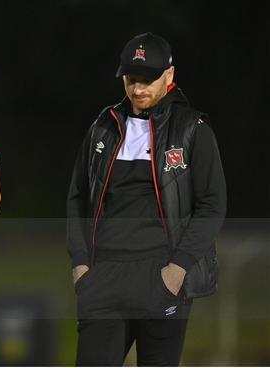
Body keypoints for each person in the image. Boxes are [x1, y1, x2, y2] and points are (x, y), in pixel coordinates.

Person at [67, 32, 226, 366]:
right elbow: (77, 197)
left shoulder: (192, 128)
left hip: (162, 279)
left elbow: (212, 204)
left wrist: (177, 270)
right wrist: (81, 265)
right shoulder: (104, 126)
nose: (137, 89)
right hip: (104, 278)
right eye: (130, 79)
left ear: (169, 75)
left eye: (147, 80)